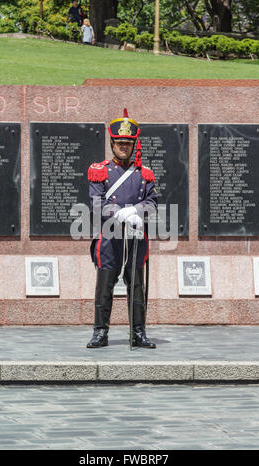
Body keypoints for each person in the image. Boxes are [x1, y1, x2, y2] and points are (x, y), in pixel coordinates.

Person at [86, 109, 158, 349]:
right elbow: (97, 203)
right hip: (111, 237)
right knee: (105, 286)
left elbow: (153, 203)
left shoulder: (144, 174)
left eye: (128, 143)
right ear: (112, 143)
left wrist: (137, 212)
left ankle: (138, 333)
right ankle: (100, 333)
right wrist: (118, 212)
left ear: (133, 144)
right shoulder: (101, 171)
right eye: (119, 143)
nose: (123, 147)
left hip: (136, 237)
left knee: (136, 286)